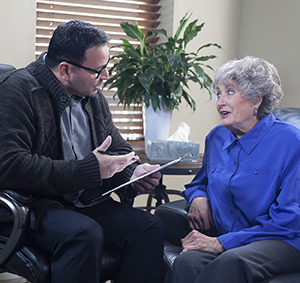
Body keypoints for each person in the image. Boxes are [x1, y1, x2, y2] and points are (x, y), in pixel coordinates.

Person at [0, 20, 165, 283]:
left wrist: (134, 174)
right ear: (65, 70)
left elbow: (118, 148)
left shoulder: (92, 94)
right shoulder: (18, 90)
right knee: (85, 233)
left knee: (149, 226)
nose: (106, 76)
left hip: (83, 202)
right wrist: (90, 170)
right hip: (34, 206)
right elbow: (8, 165)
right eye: (98, 70)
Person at [171, 56, 300, 283]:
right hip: (235, 236)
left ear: (256, 99)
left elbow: (288, 219)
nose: (220, 101)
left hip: (284, 239)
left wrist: (223, 243)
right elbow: (199, 183)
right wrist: (198, 197)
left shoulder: (291, 141)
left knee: (231, 262)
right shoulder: (216, 137)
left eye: (230, 92)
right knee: (187, 261)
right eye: (218, 93)